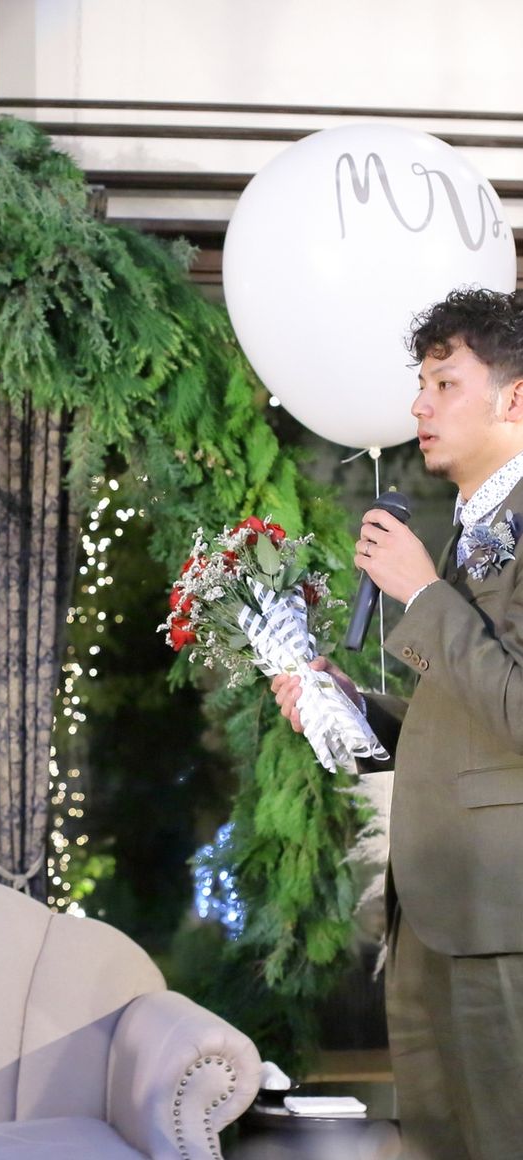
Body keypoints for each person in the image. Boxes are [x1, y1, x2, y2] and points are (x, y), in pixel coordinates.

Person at [272, 288, 523, 1160]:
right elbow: (470, 714)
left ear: (515, 398)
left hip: (504, 918)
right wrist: (356, 708)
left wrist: (419, 594)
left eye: (445, 384)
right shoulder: (474, 528)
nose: (419, 405)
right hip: (432, 911)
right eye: (420, 383)